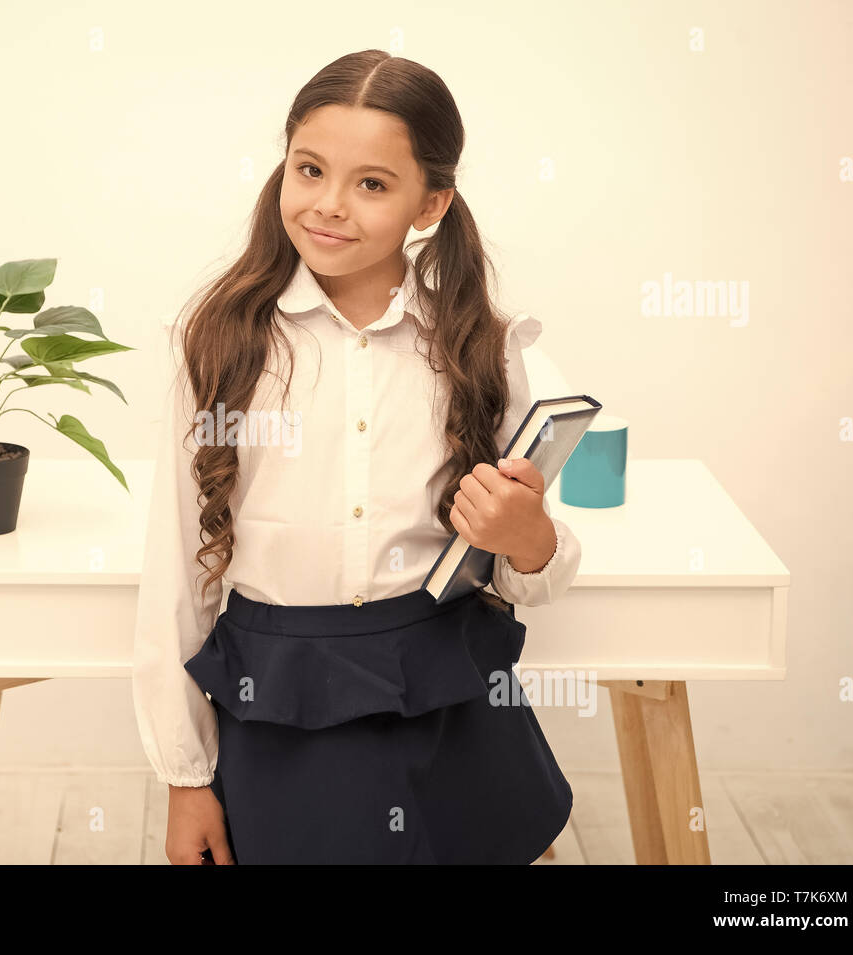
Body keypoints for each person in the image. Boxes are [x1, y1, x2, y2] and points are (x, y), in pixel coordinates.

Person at [131, 49, 580, 865]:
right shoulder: (222, 344)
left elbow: (537, 565)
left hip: (453, 697)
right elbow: (178, 570)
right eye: (309, 169)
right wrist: (186, 777)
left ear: (430, 202)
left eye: (372, 184)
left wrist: (529, 534)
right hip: (281, 706)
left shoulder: (484, 346)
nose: (329, 206)